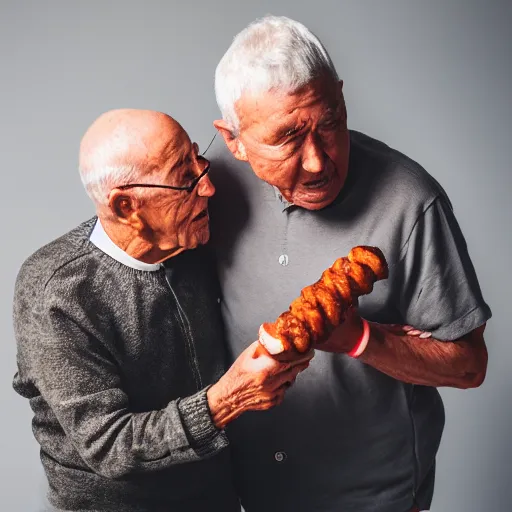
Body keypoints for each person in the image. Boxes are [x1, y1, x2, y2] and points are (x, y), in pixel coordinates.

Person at [208, 15, 492, 512]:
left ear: (340, 96)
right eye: (287, 139)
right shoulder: (210, 182)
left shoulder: (410, 201)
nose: (318, 161)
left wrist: (362, 338)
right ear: (234, 140)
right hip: (246, 494)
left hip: (370, 499)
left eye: (330, 122)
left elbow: (468, 367)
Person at [12, 109, 312, 512]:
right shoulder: (55, 293)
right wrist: (226, 400)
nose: (208, 189)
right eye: (186, 180)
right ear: (125, 207)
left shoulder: (189, 240)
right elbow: (110, 446)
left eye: (197, 159)